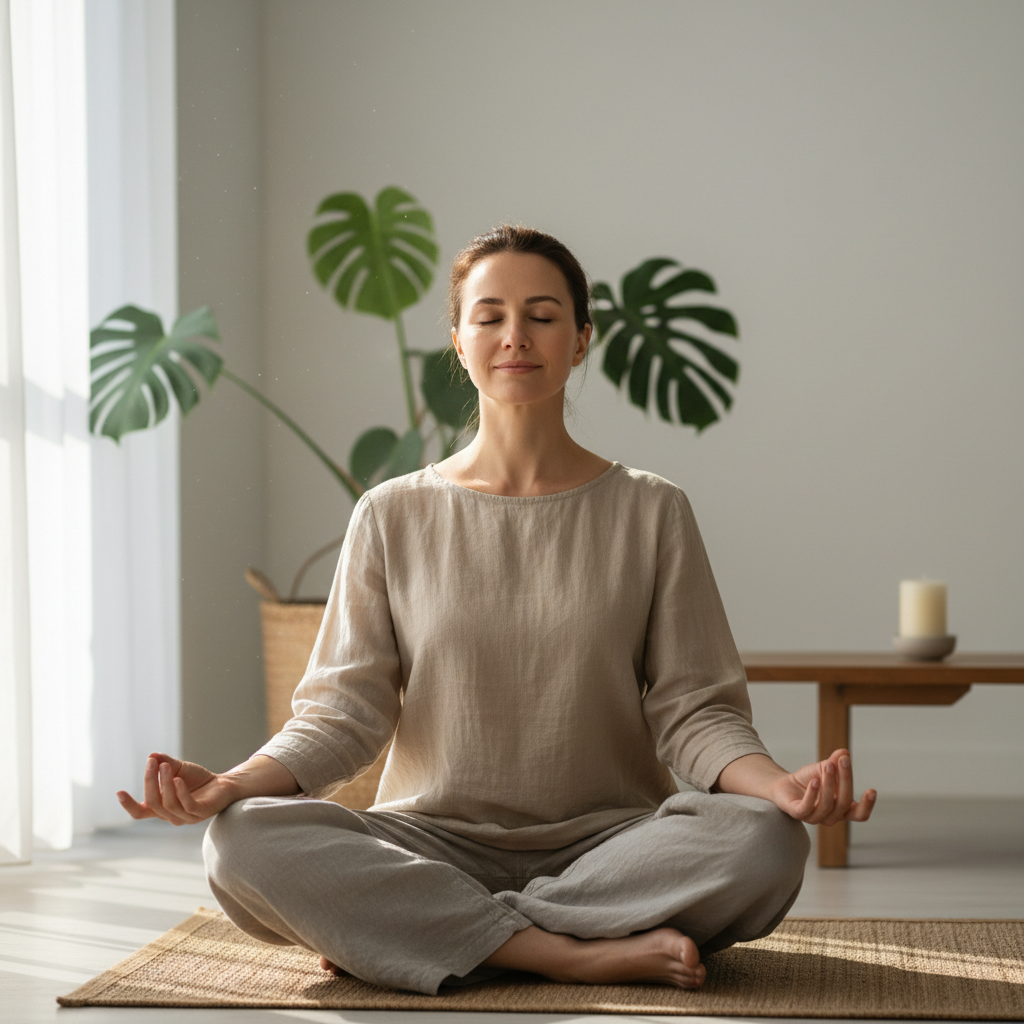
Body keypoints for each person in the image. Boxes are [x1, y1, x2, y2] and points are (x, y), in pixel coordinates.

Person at [117, 225, 876, 995]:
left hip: (613, 844)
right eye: (489, 316)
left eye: (543, 315)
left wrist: (779, 787)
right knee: (242, 841)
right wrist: (231, 786)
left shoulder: (652, 510)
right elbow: (343, 714)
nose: (515, 336)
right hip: (424, 840)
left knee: (766, 842)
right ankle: (563, 952)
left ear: (581, 340)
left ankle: (426, 933)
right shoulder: (390, 514)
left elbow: (695, 710)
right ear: (459, 339)